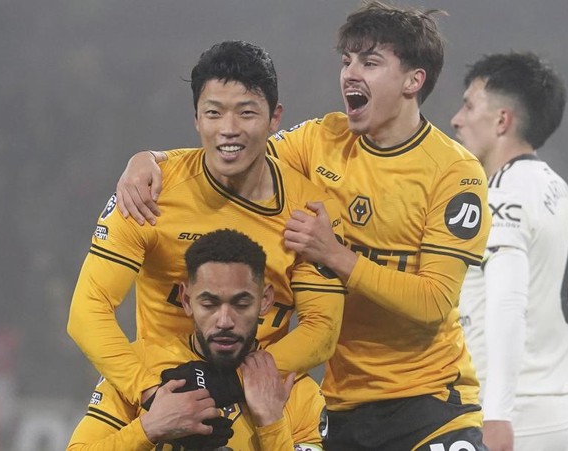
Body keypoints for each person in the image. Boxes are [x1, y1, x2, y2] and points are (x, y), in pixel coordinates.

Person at [116, 3, 491, 449]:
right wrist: (151, 159)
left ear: (414, 80)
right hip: (339, 404)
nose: (351, 74)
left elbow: (434, 302)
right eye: (346, 61)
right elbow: (237, 148)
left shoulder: (454, 172)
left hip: (428, 402)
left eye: (370, 63)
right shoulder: (319, 140)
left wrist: (335, 255)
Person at [67, 40, 346, 410]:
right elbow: (88, 310)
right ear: (196, 119)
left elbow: (321, 331)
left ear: (274, 118)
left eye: (246, 113)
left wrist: (232, 382)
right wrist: (150, 391)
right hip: (157, 393)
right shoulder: (148, 192)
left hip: (255, 403)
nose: (228, 129)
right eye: (214, 113)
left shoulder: (312, 212)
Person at [452, 52, 568, 450]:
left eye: (468, 106)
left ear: (502, 120)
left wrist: (498, 414)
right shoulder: (557, 189)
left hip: (522, 420)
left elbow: (508, 303)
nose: (456, 119)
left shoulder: (504, 197)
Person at [67, 229, 326, 450]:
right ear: (187, 300)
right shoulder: (142, 366)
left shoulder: (295, 390)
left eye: (241, 303)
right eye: (209, 303)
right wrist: (149, 428)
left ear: (265, 301)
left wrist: (271, 424)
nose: (225, 320)